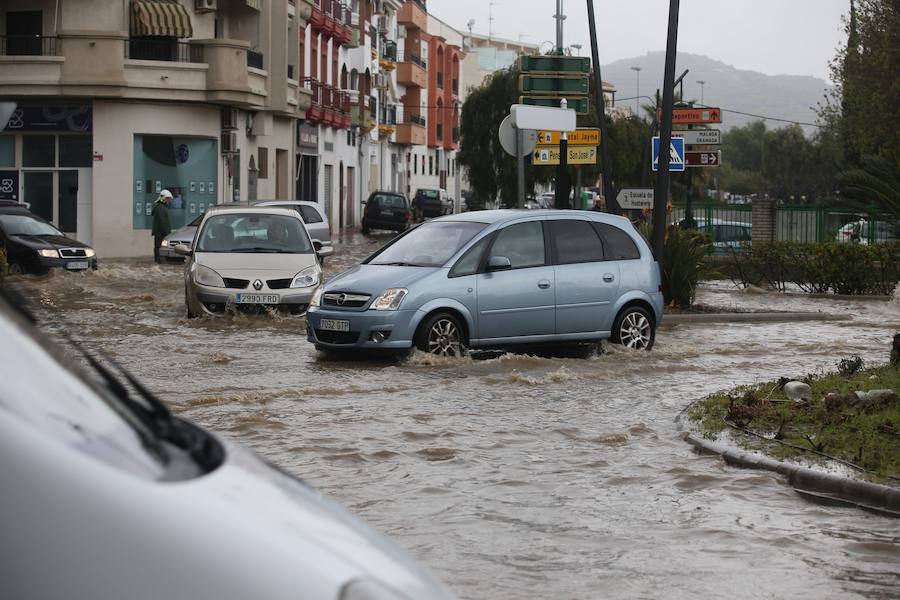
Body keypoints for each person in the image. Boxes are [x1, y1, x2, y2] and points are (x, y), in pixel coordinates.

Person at [151, 189, 172, 263]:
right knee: (159, 248)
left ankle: (158, 261)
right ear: (164, 198)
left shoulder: (160, 207)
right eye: (168, 199)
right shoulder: (160, 208)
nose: (169, 201)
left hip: (160, 232)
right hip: (161, 233)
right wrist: (168, 234)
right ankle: (159, 261)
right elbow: (162, 222)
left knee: (158, 247)